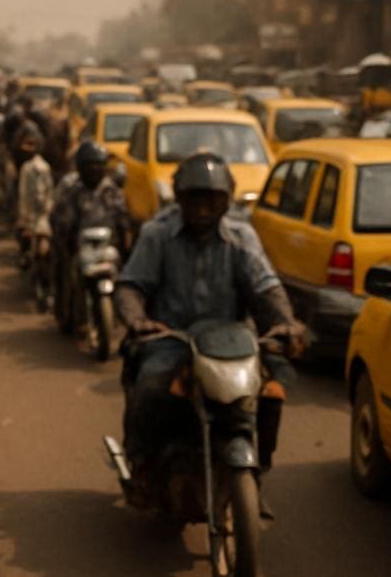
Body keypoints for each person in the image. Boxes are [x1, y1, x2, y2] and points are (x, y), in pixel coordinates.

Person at [115, 152, 305, 515]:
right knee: (150, 389)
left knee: (272, 392)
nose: (204, 208)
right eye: (195, 198)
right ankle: (142, 468)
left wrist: (285, 323)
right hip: (173, 340)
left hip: (231, 345)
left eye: (213, 199)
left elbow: (265, 287)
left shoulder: (241, 236)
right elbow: (130, 287)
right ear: (179, 197)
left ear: (228, 198)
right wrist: (137, 319)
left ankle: (254, 471)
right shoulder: (157, 234)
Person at [51, 140, 131, 334]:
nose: (95, 169)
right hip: (79, 246)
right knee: (65, 272)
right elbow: (62, 221)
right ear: (80, 167)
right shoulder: (72, 191)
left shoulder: (112, 190)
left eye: (99, 164)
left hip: (107, 246)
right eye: (90, 165)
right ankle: (67, 315)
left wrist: (125, 243)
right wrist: (66, 242)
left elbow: (122, 218)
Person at [13, 122, 55, 310]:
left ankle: (46, 288)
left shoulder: (43, 168)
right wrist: (23, 221)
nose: (27, 148)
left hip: (41, 217)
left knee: (44, 252)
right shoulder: (26, 168)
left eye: (31, 144)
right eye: (25, 144)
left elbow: (48, 193)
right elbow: (23, 197)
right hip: (29, 216)